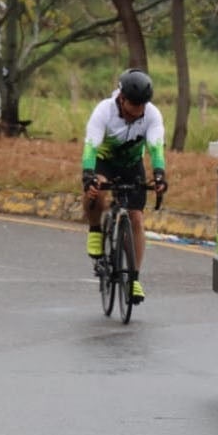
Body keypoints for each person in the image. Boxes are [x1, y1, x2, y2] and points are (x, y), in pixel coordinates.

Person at [81, 68, 168, 304]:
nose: (138, 111)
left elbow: (156, 147)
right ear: (121, 98)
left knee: (137, 218)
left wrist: (159, 175)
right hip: (104, 162)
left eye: (143, 105)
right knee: (96, 191)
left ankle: (134, 278)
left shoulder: (152, 115)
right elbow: (91, 145)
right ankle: (95, 230)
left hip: (131, 166)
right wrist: (89, 175)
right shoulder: (104, 111)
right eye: (134, 105)